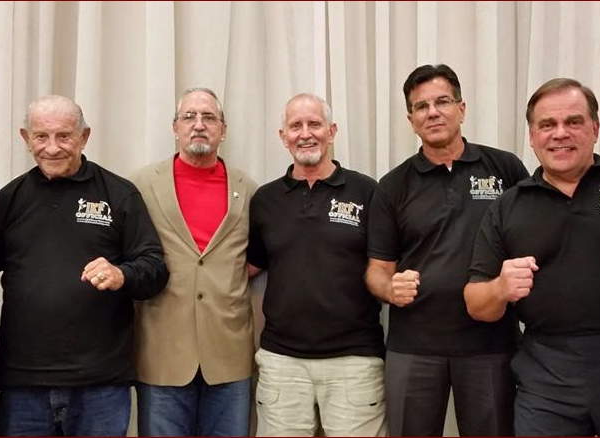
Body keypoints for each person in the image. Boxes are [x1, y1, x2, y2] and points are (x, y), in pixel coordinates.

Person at [464, 78, 600, 436]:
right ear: (531, 136)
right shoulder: (508, 207)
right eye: (547, 125)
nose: (560, 133)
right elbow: (476, 304)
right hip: (547, 374)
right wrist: (500, 288)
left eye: (573, 122)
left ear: (595, 129)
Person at [365, 63, 529, 436]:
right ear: (411, 120)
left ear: (461, 108)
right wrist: (389, 289)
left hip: (491, 343)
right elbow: (377, 269)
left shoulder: (505, 168)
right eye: (421, 106)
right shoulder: (392, 185)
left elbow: (531, 240)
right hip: (414, 347)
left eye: (442, 101)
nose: (433, 112)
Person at [0, 95, 169, 436]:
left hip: (100, 385)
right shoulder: (9, 198)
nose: (52, 147)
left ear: (84, 137)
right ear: (26, 138)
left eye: (64, 136)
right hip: (23, 385)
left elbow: (155, 269)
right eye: (41, 136)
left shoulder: (119, 194)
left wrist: (122, 274)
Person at [247, 93, 386, 436]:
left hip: (354, 361)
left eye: (315, 124)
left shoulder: (366, 192)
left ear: (332, 131)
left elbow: (385, 264)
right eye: (296, 126)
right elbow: (249, 266)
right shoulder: (264, 200)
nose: (305, 133)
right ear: (283, 136)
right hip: (282, 362)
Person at [129, 87, 258, 436]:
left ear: (223, 130)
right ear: (175, 127)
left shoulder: (248, 190)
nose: (199, 125)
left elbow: (260, 254)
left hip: (229, 353)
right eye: (189, 117)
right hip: (162, 353)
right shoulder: (140, 185)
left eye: (209, 117)